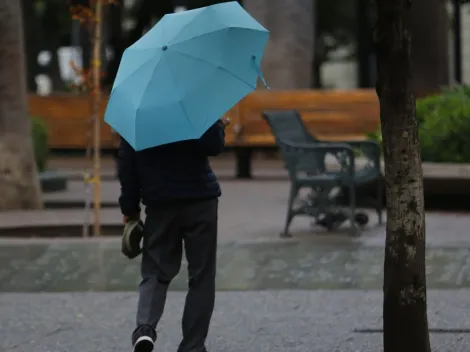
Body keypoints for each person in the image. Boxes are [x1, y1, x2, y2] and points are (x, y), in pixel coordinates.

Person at [117, 118, 228, 352]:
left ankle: (145, 329)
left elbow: (127, 164)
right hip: (200, 199)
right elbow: (214, 146)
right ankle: (193, 346)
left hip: (159, 202)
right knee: (201, 276)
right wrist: (217, 125)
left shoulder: (137, 110)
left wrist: (130, 209)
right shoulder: (193, 101)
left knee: (155, 269)